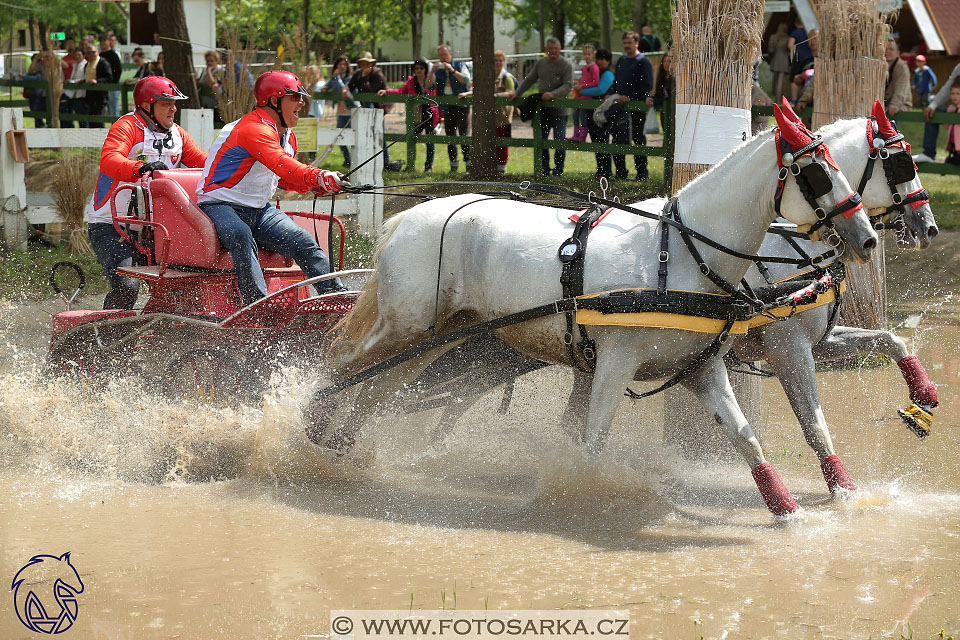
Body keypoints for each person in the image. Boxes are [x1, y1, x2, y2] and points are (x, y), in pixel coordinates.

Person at [197, 70, 348, 305]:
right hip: (219, 205)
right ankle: (257, 306)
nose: (301, 102)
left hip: (259, 210)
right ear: (273, 100)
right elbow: (283, 164)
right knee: (240, 235)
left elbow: (282, 177)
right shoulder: (253, 129)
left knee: (303, 240)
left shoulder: (288, 135)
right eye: (294, 98)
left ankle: (336, 297)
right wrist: (319, 177)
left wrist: (315, 186)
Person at [86, 77, 209, 310]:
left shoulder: (179, 135)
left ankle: (165, 331)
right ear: (146, 105)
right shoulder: (127, 126)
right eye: (166, 103)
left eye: (174, 103)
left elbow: (206, 165)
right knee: (127, 286)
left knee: (183, 281)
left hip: (156, 227)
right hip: (112, 226)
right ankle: (109, 339)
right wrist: (140, 168)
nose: (174, 108)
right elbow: (110, 160)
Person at [506, 36, 573, 176]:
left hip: (560, 110)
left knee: (559, 141)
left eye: (556, 48)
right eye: (550, 48)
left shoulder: (566, 64)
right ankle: (544, 169)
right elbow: (530, 79)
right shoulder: (541, 63)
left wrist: (553, 94)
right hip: (543, 110)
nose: (553, 51)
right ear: (546, 49)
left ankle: (558, 171)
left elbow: (568, 85)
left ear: (560, 49)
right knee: (541, 140)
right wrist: (517, 93)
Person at [457, 51, 516, 173]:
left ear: (504, 62)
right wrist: (466, 93)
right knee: (488, 141)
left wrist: (495, 95)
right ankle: (490, 166)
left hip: (502, 116)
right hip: (488, 116)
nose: (498, 63)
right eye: (495, 60)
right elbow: (478, 90)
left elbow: (511, 92)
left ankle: (501, 168)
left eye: (500, 60)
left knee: (502, 142)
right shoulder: (487, 77)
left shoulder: (507, 77)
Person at [344, 52, 401, 171]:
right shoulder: (358, 73)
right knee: (366, 135)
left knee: (380, 135)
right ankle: (369, 161)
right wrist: (346, 89)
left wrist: (364, 78)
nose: (364, 65)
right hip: (365, 108)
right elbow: (351, 85)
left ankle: (385, 162)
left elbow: (371, 91)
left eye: (367, 63)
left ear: (371, 63)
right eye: (362, 63)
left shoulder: (377, 74)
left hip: (378, 109)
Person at [380, 59, 439, 172]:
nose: (418, 71)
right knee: (412, 138)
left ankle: (428, 167)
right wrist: (386, 91)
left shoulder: (431, 78)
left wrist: (431, 72)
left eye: (421, 68)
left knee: (430, 141)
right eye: (416, 68)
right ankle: (411, 165)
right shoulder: (411, 81)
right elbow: (400, 91)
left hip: (430, 114)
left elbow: (429, 86)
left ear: (425, 69)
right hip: (416, 115)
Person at [610, 31, 653, 181]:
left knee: (638, 138)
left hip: (637, 107)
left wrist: (631, 97)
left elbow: (647, 86)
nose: (627, 46)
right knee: (618, 138)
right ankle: (621, 172)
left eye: (630, 43)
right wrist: (611, 93)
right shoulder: (622, 60)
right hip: (620, 107)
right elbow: (617, 82)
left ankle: (642, 173)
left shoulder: (643, 61)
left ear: (636, 43)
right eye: (625, 43)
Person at [429, 44, 472, 172]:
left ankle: (469, 163)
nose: (443, 58)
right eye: (441, 55)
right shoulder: (437, 70)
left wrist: (452, 71)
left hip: (462, 105)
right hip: (447, 107)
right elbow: (428, 85)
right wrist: (432, 71)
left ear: (450, 55)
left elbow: (466, 81)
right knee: (450, 135)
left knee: (464, 135)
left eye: (445, 55)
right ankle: (453, 164)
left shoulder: (459, 65)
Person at [914, 62, 960, 163]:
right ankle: (929, 153)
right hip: (956, 109)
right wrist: (933, 105)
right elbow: (949, 87)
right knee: (934, 114)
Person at [583, 49, 616, 179]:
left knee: (602, 140)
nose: (601, 61)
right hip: (593, 111)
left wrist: (582, 92)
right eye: (599, 58)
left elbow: (600, 90)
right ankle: (600, 170)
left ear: (608, 61)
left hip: (602, 114)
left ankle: (606, 172)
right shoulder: (596, 71)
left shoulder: (608, 74)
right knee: (596, 141)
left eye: (604, 59)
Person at [323, 55, 358, 169]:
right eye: (340, 64)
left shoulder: (350, 78)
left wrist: (336, 78)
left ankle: (354, 160)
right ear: (336, 66)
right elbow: (327, 86)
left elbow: (343, 89)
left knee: (353, 137)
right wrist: (325, 88)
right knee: (338, 136)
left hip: (350, 111)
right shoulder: (334, 78)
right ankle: (348, 159)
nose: (342, 67)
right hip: (341, 112)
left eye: (344, 64)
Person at [567, 43, 598, 143]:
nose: (587, 56)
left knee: (583, 116)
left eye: (589, 54)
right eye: (585, 54)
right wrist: (577, 85)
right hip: (580, 95)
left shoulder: (594, 67)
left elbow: (595, 82)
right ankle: (576, 135)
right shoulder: (584, 68)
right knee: (575, 114)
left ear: (593, 55)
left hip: (587, 96)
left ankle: (582, 137)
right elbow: (583, 80)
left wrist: (582, 87)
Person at [82, 45, 112, 128]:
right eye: (88, 52)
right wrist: (83, 81)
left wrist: (97, 81)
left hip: (100, 97)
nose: (91, 54)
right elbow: (87, 78)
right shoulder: (87, 64)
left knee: (99, 121)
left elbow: (109, 78)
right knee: (91, 122)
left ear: (97, 52)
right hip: (89, 97)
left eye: (93, 52)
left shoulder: (103, 63)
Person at [884, 37, 912, 117]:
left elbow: (901, 87)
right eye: (885, 49)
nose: (887, 51)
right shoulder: (880, 66)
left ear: (897, 53)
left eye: (891, 49)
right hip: (884, 105)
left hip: (901, 105)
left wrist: (894, 104)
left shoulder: (902, 67)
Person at [646, 51, 673, 131]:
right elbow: (660, 94)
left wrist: (656, 101)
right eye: (664, 61)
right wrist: (651, 98)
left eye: (669, 61)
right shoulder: (662, 78)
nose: (666, 64)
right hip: (664, 113)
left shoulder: (675, 80)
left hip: (672, 112)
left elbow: (669, 97)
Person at [60, 49, 86, 128]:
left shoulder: (85, 65)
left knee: (81, 118)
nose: (77, 57)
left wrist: (70, 81)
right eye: (75, 55)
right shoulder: (75, 65)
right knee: (65, 111)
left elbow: (82, 79)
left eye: (79, 55)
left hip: (80, 94)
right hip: (71, 93)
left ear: (83, 56)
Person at [788, 19, 812, 102]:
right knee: (806, 78)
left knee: (794, 79)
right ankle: (804, 99)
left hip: (799, 58)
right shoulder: (809, 32)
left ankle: (794, 99)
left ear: (796, 24)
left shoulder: (795, 32)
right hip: (810, 59)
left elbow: (790, 45)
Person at [98, 33, 122, 117]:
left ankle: (117, 129)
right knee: (102, 111)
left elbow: (118, 70)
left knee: (114, 110)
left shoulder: (113, 55)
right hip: (102, 87)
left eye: (104, 41)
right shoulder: (99, 55)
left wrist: (113, 83)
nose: (102, 43)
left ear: (109, 42)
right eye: (101, 41)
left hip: (112, 87)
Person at [767, 23, 792, 104]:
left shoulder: (773, 37)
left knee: (775, 81)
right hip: (784, 60)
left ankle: (775, 98)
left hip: (775, 60)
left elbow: (770, 50)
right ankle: (778, 100)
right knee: (780, 82)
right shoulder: (787, 38)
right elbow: (790, 50)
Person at [24, 54, 47, 128]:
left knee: (41, 112)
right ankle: (40, 127)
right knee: (35, 114)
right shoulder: (34, 68)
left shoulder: (42, 68)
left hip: (42, 95)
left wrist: (25, 77)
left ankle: (44, 127)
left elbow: (28, 77)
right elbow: (29, 73)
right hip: (33, 95)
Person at [943, 77, 960, 165]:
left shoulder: (956, 108)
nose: (955, 96)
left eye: (958, 94)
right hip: (953, 142)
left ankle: (949, 161)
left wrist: (956, 110)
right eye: (953, 93)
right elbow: (946, 126)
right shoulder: (950, 108)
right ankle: (949, 161)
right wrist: (946, 117)